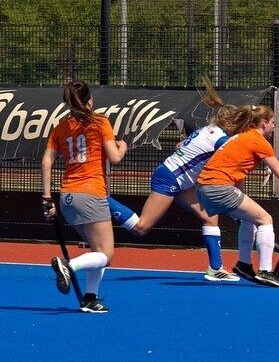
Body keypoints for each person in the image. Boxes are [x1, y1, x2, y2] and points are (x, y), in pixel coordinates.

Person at [109, 80, 252, 282]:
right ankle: (101, 198)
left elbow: (179, 145)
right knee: (142, 227)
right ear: (233, 124)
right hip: (170, 178)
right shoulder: (222, 140)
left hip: (178, 178)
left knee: (210, 217)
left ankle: (215, 268)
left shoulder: (208, 129)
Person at [196, 104, 279, 287]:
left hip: (204, 187)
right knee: (265, 219)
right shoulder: (258, 141)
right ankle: (265, 271)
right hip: (217, 186)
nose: (274, 127)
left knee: (250, 219)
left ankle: (244, 265)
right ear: (264, 123)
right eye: (272, 123)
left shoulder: (240, 137)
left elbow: (235, 172)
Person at [41, 80, 128, 313]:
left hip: (67, 197)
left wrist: (47, 198)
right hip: (91, 194)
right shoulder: (100, 122)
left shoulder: (61, 127)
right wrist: (123, 147)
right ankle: (69, 266)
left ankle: (90, 298)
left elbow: (47, 161)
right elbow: (115, 157)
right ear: (89, 100)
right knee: (106, 255)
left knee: (96, 249)